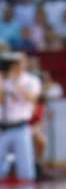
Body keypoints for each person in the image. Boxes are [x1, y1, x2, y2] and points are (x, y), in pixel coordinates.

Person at [0, 52, 42, 182]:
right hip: (2, 128)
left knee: (26, 172)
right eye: (13, 63)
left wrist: (15, 82)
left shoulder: (31, 80)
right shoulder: (3, 79)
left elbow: (32, 98)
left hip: (21, 127)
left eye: (18, 62)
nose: (16, 66)